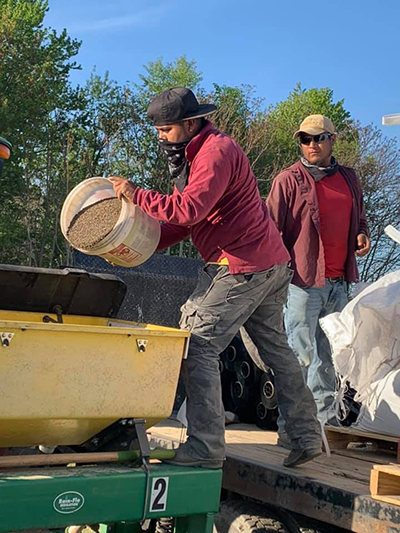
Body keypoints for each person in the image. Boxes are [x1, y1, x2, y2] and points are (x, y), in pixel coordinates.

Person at [109, 88, 322, 468]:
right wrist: (143, 242)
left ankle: (205, 449)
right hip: (267, 262)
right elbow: (190, 220)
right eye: (157, 130)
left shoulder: (214, 152)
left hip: (241, 264)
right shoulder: (197, 153)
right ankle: (305, 435)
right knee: (274, 348)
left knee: (196, 344)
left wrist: (135, 194)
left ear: (190, 123)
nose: (161, 136)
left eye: (167, 129)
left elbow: (189, 209)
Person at [267, 114, 370, 429]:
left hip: (339, 283)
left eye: (318, 138)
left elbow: (361, 218)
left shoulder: (350, 178)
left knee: (328, 358)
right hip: (301, 283)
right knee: (298, 357)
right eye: (305, 139)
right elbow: (269, 229)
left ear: (332, 140)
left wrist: (362, 234)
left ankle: (323, 425)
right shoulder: (287, 180)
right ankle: (293, 428)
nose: (311, 144)